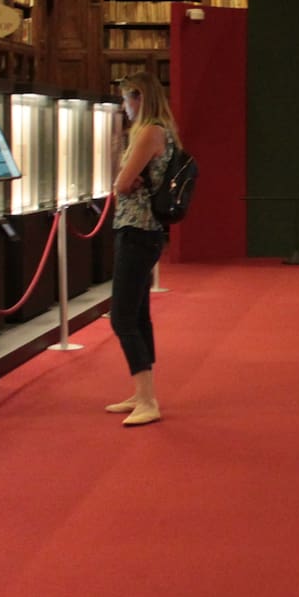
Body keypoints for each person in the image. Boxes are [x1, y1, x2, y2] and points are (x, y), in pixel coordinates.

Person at [105, 70, 181, 426]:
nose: (124, 106)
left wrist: (125, 179)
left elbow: (121, 183)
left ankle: (148, 399)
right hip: (141, 230)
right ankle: (142, 391)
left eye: (125, 98)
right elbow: (125, 180)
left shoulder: (149, 132)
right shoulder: (155, 131)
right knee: (136, 314)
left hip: (138, 229)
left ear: (139, 97)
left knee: (122, 316)